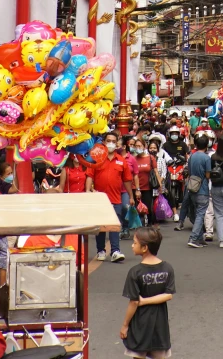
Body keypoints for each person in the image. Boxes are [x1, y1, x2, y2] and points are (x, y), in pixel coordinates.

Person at [120, 227, 175, 359]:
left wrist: (125, 325)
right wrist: (147, 300)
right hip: (160, 325)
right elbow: (169, 295)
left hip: (140, 324)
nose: (132, 245)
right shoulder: (167, 268)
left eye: (135, 243)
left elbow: (134, 301)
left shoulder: (135, 272)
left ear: (144, 248)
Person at [93, 131, 134, 262]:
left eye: (113, 141)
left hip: (116, 198)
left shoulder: (121, 161)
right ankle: (100, 250)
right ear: (103, 143)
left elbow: (127, 180)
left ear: (117, 144)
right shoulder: (96, 159)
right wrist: (90, 190)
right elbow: (89, 175)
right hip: (99, 199)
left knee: (114, 225)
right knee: (100, 226)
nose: (110, 143)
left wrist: (131, 196)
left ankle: (115, 251)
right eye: (108, 140)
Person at [186, 134, 212, 248]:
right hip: (202, 188)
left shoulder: (192, 156)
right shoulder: (206, 158)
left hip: (192, 186)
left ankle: (200, 238)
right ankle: (193, 237)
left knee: (198, 212)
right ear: (207, 145)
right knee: (201, 213)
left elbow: (189, 171)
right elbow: (208, 174)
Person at [135, 138, 163, 226]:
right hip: (135, 188)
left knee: (148, 209)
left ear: (144, 147)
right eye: (136, 146)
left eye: (140, 146)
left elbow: (156, 172)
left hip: (147, 187)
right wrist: (136, 189)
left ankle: (150, 226)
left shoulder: (150, 158)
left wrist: (160, 186)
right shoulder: (133, 159)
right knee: (138, 210)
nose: (138, 148)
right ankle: (140, 228)